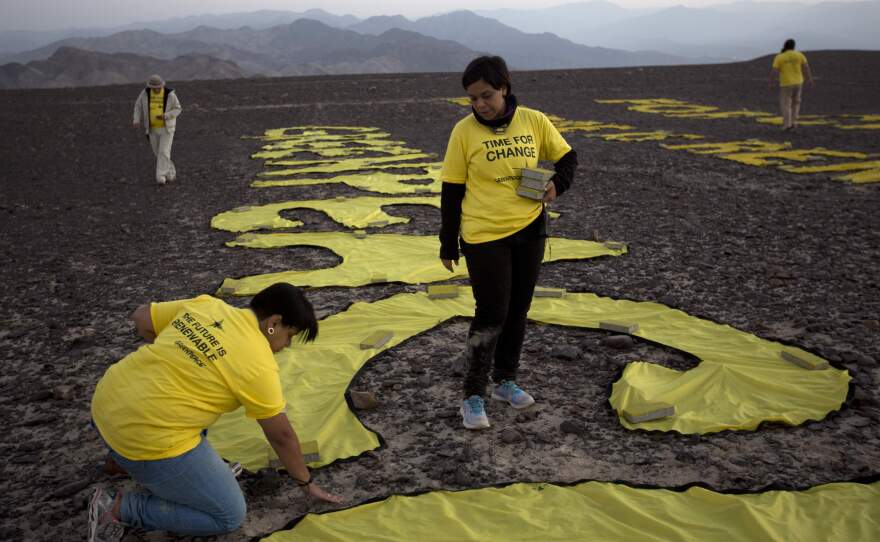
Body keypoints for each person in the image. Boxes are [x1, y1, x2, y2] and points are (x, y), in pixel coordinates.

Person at [88, 283, 343, 542]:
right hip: (145, 437)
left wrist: (183, 359)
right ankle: (118, 508)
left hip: (105, 401)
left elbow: (142, 316)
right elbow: (282, 437)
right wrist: (306, 482)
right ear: (273, 323)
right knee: (228, 515)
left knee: (199, 400)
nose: (287, 345)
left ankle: (124, 460)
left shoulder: (208, 305)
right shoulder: (259, 366)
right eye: (289, 335)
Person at [439, 55, 578, 430]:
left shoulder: (533, 121)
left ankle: (504, 381)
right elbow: (451, 191)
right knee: (491, 312)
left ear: (504, 88)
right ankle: (472, 395)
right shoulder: (464, 132)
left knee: (518, 309)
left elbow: (567, 158)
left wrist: (555, 185)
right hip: (484, 236)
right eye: (473, 98)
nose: (480, 104)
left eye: (486, 95)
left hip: (529, 230)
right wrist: (448, 242)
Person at [132, 74, 182, 185]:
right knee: (158, 153)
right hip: (152, 129)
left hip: (167, 129)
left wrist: (166, 115)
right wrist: (136, 119)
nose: (156, 89)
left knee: (163, 151)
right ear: (150, 87)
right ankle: (170, 172)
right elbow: (138, 106)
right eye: (154, 88)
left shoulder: (170, 95)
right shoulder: (145, 94)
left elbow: (178, 109)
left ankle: (161, 177)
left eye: (158, 87)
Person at [770, 39, 814, 131]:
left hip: (786, 83)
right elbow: (806, 67)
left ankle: (787, 124)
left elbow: (774, 70)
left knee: (786, 104)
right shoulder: (799, 55)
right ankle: (794, 122)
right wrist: (809, 79)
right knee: (796, 103)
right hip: (798, 82)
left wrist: (772, 82)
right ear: (794, 46)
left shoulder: (780, 57)